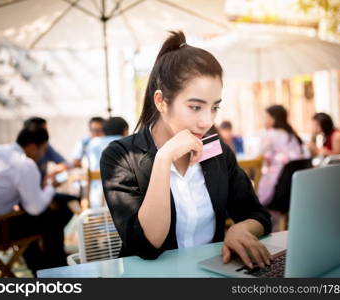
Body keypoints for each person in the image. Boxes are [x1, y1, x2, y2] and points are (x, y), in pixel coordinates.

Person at [100, 31, 272, 270]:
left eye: (214, 108)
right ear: (161, 101)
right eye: (195, 107)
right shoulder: (121, 156)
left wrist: (239, 229)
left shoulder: (215, 149)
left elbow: (257, 214)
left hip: (213, 273)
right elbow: (147, 246)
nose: (207, 121)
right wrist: (163, 160)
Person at [0, 127, 70, 275]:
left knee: (32, 220)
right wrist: (51, 187)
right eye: (43, 150)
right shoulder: (25, 164)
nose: (43, 155)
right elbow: (35, 208)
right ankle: (55, 269)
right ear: (32, 147)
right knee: (53, 216)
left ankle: (41, 268)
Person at [23, 117, 80, 212]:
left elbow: (64, 163)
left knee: (74, 200)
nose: (46, 135)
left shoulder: (45, 146)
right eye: (43, 131)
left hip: (43, 194)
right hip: (33, 200)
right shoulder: (22, 159)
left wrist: (51, 174)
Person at [257, 105, 310, 207]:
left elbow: (258, 155)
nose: (264, 121)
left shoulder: (270, 134)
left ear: (273, 119)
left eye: (266, 117)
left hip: (278, 188)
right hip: (296, 187)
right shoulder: (292, 135)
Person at [86, 117, 129, 207]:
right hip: (119, 202)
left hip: (94, 201)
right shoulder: (125, 143)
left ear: (104, 131)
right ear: (125, 131)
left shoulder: (92, 143)